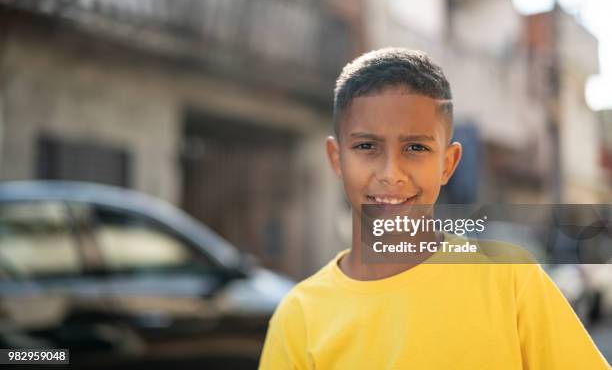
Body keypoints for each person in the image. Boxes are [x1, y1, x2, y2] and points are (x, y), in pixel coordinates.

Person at [258, 48, 610, 369]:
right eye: (367, 146)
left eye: (415, 148)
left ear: (448, 163)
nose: (391, 173)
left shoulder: (511, 281)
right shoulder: (300, 316)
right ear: (337, 159)